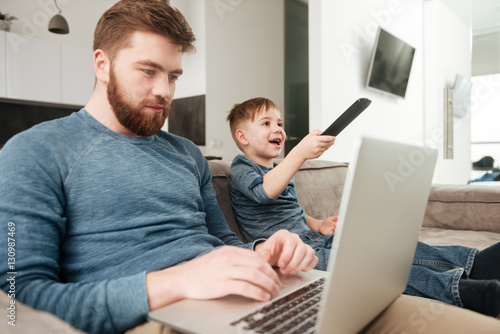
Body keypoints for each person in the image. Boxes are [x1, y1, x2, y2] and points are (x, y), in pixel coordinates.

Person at [0, 2, 319, 333]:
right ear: (102, 65)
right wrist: (178, 282)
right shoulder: (35, 151)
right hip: (149, 321)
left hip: (234, 304)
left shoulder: (187, 153)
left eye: (173, 76)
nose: (164, 91)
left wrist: (263, 252)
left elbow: (222, 239)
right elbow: (16, 304)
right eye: (148, 71)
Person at [226, 97, 500, 318]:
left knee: (386, 249)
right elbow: (263, 193)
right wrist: (299, 153)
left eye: (280, 123)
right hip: (296, 257)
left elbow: (289, 210)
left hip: (315, 239)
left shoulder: (278, 169)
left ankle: (473, 263)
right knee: (376, 273)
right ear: (243, 137)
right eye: (266, 123)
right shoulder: (241, 167)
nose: (278, 129)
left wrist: (317, 223)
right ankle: (460, 290)